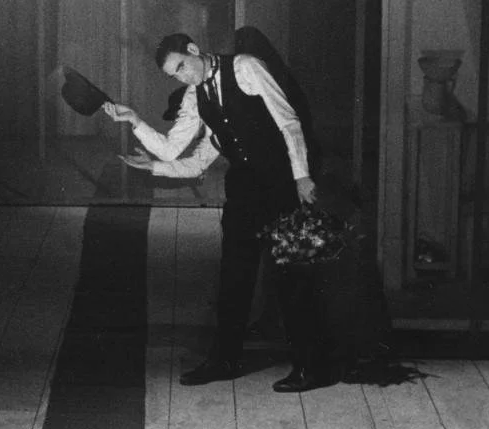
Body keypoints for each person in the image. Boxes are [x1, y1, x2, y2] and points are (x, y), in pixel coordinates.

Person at [104, 33, 327, 392]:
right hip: (244, 189)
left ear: (194, 50)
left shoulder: (246, 68)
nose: (183, 77)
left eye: (182, 66)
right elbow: (174, 150)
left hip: (281, 183)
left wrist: (301, 176)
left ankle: (310, 367)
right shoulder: (196, 95)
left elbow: (289, 122)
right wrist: (134, 121)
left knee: (290, 274)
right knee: (234, 276)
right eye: (175, 75)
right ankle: (225, 361)